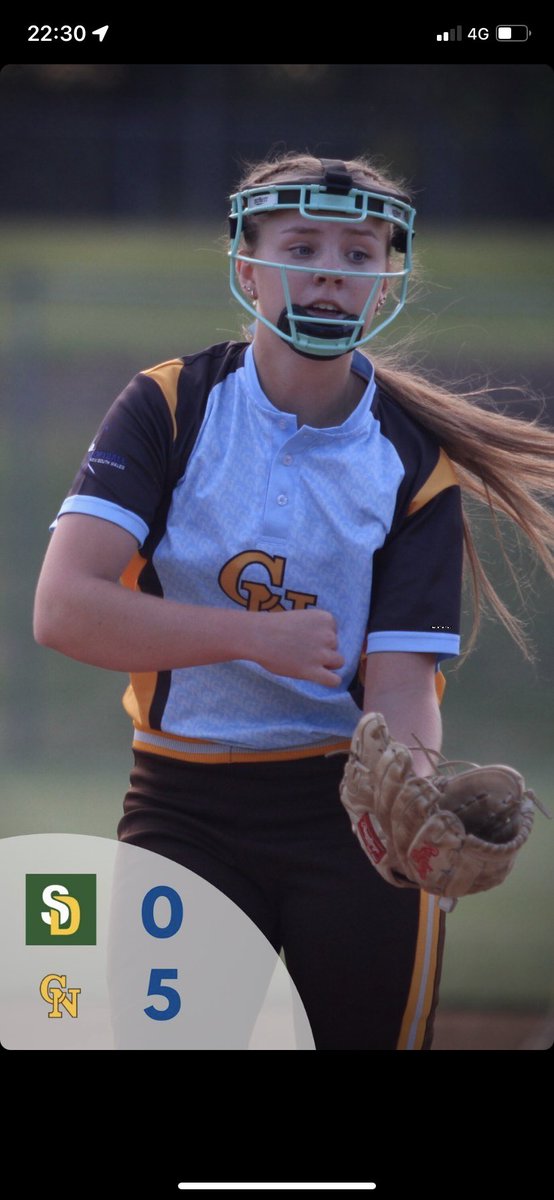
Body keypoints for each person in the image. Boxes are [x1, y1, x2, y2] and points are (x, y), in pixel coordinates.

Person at [33, 152, 554, 1050]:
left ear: (387, 279)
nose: (329, 271)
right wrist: (252, 638)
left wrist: (413, 797)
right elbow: (65, 610)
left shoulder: (412, 459)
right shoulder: (169, 405)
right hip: (179, 801)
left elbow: (399, 687)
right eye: (301, 245)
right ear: (247, 265)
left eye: (359, 254)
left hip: (347, 814)